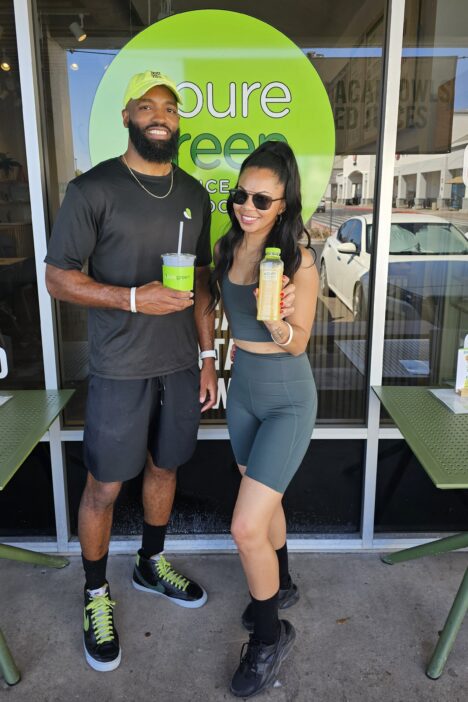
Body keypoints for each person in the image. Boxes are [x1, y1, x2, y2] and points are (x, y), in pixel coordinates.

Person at [45, 70, 217, 672]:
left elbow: (199, 284)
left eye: (168, 107)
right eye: (146, 105)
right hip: (119, 366)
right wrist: (133, 298)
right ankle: (95, 592)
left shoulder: (195, 194)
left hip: (176, 365)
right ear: (126, 117)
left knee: (165, 467)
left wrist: (207, 355)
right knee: (105, 484)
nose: (159, 115)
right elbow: (57, 278)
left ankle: (150, 563)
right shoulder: (92, 189)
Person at [210, 140, 318, 698]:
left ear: (282, 205)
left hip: (287, 400)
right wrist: (213, 360)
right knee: (264, 499)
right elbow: (212, 308)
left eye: (262, 198)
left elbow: (299, 344)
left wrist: (278, 323)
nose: (247, 206)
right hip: (244, 392)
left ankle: (270, 637)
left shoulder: (296, 259)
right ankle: (284, 582)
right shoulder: (229, 246)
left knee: (245, 525)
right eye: (240, 194)